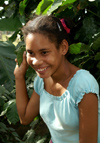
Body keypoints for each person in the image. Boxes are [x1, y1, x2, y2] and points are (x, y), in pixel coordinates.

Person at [14, 15, 100, 143]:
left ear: (63, 47)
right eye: (31, 53)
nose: (36, 62)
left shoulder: (83, 85)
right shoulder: (41, 81)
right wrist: (19, 76)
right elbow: (25, 118)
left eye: (44, 52)